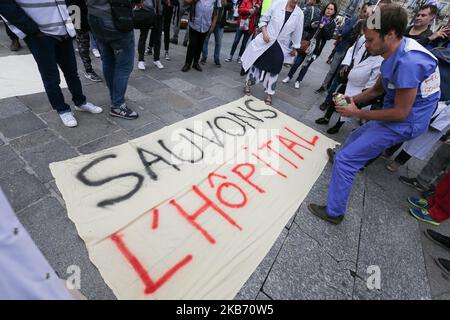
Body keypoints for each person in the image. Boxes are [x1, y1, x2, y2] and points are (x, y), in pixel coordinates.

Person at [308, 5, 441, 225]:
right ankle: (345, 156)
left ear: (389, 34)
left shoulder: (408, 63)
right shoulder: (395, 49)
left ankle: (334, 212)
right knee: (358, 135)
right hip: (399, 110)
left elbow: (400, 112)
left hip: (407, 121)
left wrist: (357, 112)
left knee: (346, 160)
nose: (367, 46)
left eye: (370, 40)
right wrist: (353, 100)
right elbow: (378, 90)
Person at [0, 0, 102, 128]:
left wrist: (74, 25)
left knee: (72, 71)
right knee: (51, 76)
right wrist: (32, 30)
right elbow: (5, 6)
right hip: (40, 35)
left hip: (64, 30)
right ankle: (62, 109)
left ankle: (80, 102)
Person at [314, 31, 383, 134]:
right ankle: (326, 118)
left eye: (369, 42)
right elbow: (352, 50)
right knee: (336, 99)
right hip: (350, 79)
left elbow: (373, 80)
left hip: (360, 87)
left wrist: (365, 91)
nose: (366, 44)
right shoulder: (364, 39)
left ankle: (337, 126)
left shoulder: (381, 58)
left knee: (346, 106)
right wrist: (346, 64)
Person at [241, 0, 304, 105]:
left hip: (280, 45)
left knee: (275, 69)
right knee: (257, 65)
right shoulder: (277, 4)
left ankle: (270, 93)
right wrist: (265, 33)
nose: (295, 0)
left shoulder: (299, 14)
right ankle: (248, 84)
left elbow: (298, 32)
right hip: (267, 40)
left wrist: (295, 48)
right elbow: (264, 20)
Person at [86, 0, 139, 120]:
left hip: (94, 16)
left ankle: (114, 98)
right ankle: (118, 105)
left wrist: (77, 23)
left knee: (108, 59)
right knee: (124, 65)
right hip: (114, 16)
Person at [315, 2, 370, 93]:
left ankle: (331, 92)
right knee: (332, 70)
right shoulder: (353, 20)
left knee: (339, 74)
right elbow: (343, 33)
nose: (365, 14)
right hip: (342, 49)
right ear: (360, 10)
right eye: (364, 11)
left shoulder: (368, 25)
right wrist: (354, 25)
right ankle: (324, 86)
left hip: (353, 54)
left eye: (367, 13)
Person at [282, 2, 337, 89]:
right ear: (325, 9)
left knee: (305, 65)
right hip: (306, 44)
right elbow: (307, 27)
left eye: (331, 9)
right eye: (328, 8)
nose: (329, 11)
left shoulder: (332, 24)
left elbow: (329, 37)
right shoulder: (318, 17)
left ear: (334, 12)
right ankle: (289, 76)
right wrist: (311, 25)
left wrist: (323, 28)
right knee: (297, 62)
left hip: (316, 48)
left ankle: (298, 81)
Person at [66, 0, 102, 82]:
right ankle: (88, 70)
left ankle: (105, 65)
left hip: (90, 7)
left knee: (99, 39)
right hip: (75, 8)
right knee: (83, 41)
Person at [181, 0, 221, 72]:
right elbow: (186, 2)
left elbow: (216, 11)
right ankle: (187, 63)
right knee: (192, 44)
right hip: (194, 22)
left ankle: (196, 63)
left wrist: (213, 24)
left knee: (200, 44)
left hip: (206, 24)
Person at [201, 0, 232, 67]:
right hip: (209, 21)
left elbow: (231, 5)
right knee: (205, 40)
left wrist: (226, 4)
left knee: (218, 42)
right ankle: (204, 57)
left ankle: (216, 58)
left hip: (220, 23)